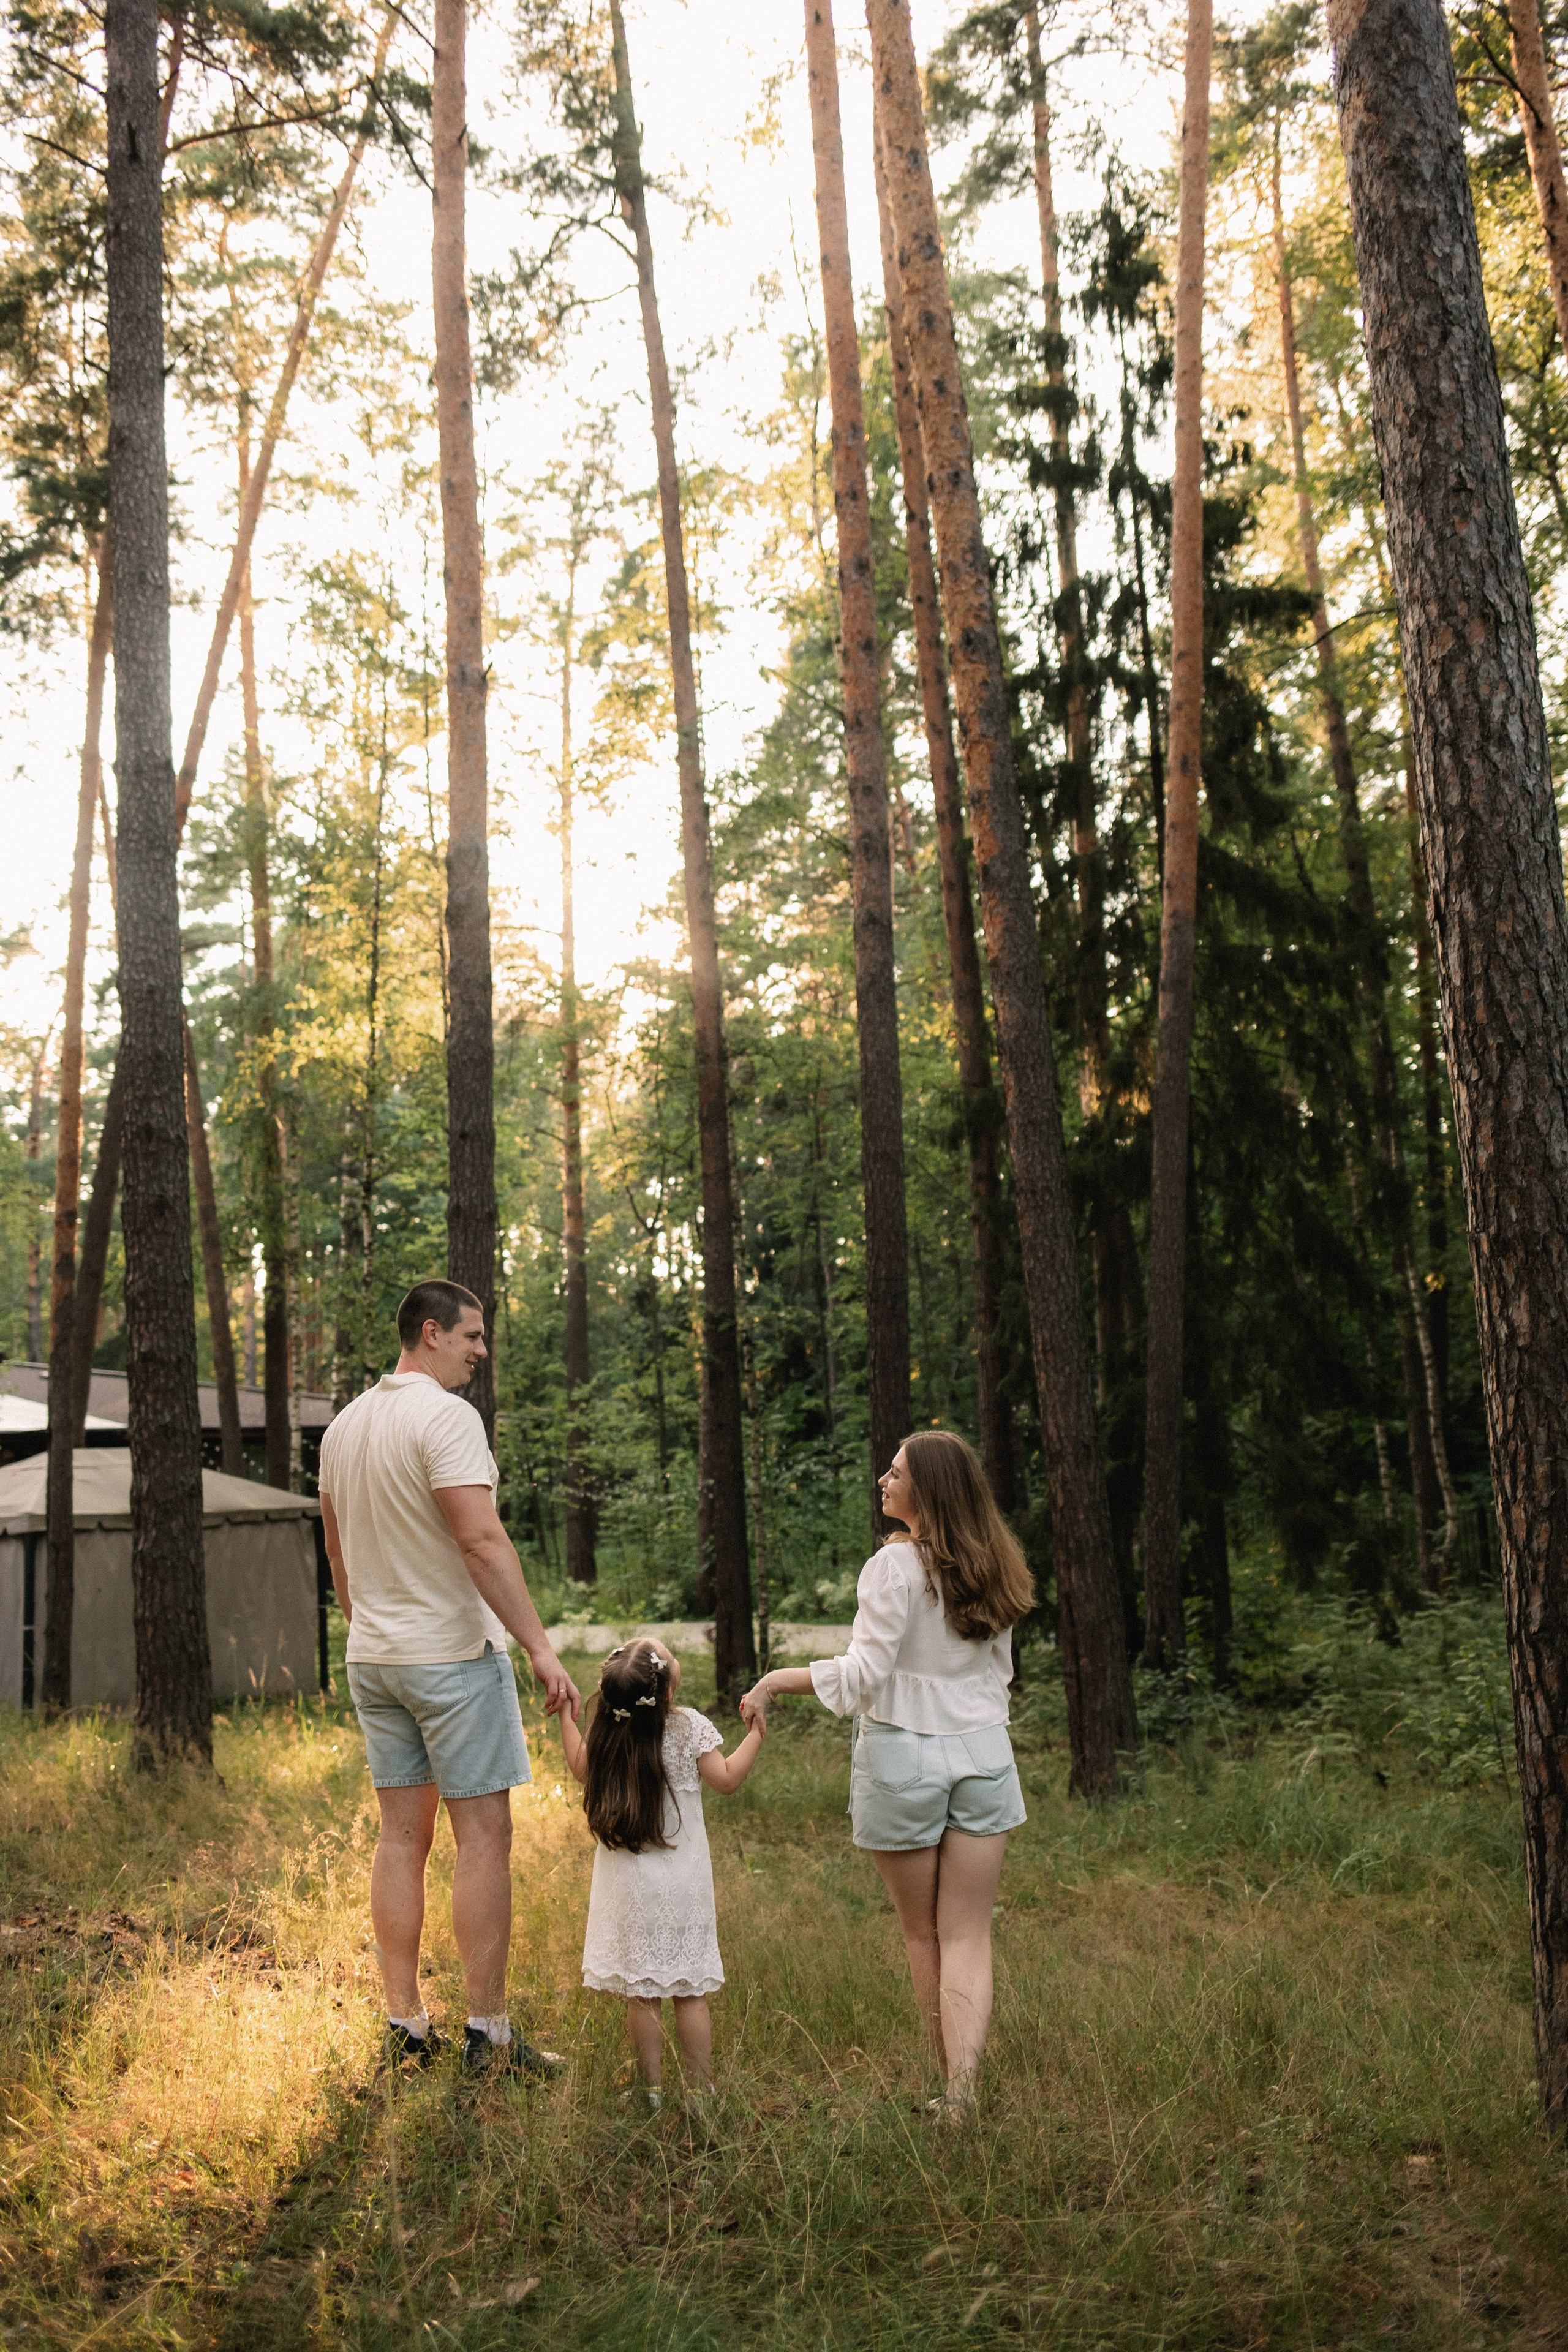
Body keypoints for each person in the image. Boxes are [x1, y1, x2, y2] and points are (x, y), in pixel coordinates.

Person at [318, 1277, 582, 2081]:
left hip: (375, 1659)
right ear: (430, 1333)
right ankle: (488, 2035)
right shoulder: (447, 1418)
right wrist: (538, 1644)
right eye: (472, 1336)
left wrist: (369, 1628)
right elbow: (482, 1541)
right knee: (484, 1838)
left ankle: (405, 2024)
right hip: (451, 1660)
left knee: (401, 1836)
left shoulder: (343, 1427)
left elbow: (337, 1555)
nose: (482, 1350)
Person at [740, 1431, 1032, 2118]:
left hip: (904, 1755)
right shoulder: (997, 1563)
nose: (882, 1478)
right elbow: (1000, 1674)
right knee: (968, 1932)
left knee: (923, 1933)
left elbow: (865, 1675)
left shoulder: (893, 1568)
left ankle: (950, 2092)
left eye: (895, 1472)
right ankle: (960, 2094)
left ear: (925, 1491)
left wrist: (776, 1681)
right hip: (985, 1755)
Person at [559, 1637, 764, 2109]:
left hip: (629, 1890)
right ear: (668, 1689)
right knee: (689, 1992)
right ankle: (699, 2093)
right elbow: (728, 1779)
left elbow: (579, 1767)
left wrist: (567, 1721)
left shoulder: (610, 1731)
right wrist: (756, 1734)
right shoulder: (688, 1727)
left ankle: (648, 2090)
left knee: (642, 1993)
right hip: (682, 1886)